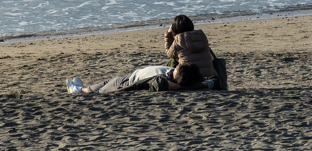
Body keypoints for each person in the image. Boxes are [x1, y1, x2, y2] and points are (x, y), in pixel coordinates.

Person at [66, 62, 218, 94]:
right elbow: (193, 83)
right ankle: (81, 88)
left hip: (127, 83)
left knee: (100, 89)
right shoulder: (173, 75)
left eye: (179, 67)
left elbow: (184, 87)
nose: (177, 65)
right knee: (104, 83)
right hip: (131, 76)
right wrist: (207, 83)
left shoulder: (166, 82)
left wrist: (206, 85)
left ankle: (79, 90)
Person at [164, 14, 217, 79]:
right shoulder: (201, 36)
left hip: (189, 77)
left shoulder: (178, 40)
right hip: (209, 75)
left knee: (172, 60)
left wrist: (169, 35)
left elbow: (169, 53)